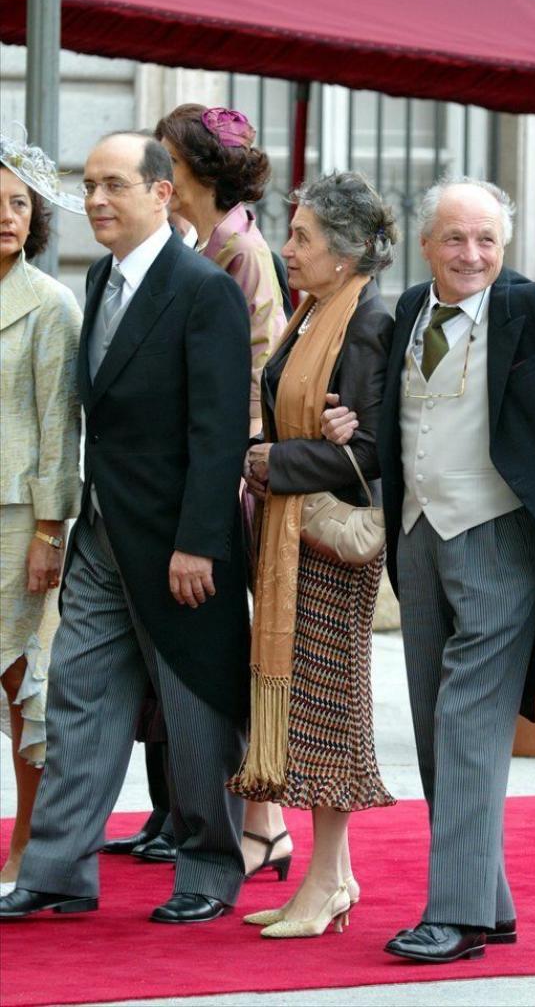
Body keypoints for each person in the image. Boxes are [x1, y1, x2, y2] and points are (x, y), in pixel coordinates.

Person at [321, 167, 535, 962]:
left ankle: (457, 916)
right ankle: (488, 901)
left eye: (487, 239)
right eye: (456, 237)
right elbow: (403, 415)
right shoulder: (404, 312)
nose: (472, 253)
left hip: (501, 533)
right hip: (421, 534)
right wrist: (349, 423)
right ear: (427, 243)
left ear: (505, 247)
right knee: (437, 723)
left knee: (468, 718)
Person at [0, 131, 252, 924]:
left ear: (161, 193)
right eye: (90, 184)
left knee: (194, 710)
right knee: (76, 698)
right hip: (105, 538)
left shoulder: (204, 289)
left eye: (115, 185)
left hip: (180, 547)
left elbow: (219, 433)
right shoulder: (102, 276)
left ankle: (209, 871)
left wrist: (198, 542)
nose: (98, 200)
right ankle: (57, 873)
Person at [106, 103, 291, 876]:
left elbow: (245, 379)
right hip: (185, 463)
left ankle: (252, 818)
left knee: (206, 644)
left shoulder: (238, 251)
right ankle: (177, 810)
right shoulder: (197, 242)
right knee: (166, 645)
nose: (158, 170)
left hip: (227, 470)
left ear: (193, 174)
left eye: (167, 160)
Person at [228, 171, 398, 938]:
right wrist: (277, 454)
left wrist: (274, 464)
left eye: (302, 238)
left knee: (329, 718)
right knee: (311, 714)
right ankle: (336, 877)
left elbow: (369, 450)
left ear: (347, 253)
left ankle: (326, 883)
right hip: (293, 537)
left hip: (328, 547)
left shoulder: (365, 320)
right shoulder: (315, 308)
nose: (286, 248)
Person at [0, 134, 84, 893]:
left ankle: (32, 847)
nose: (6, 215)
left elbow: (62, 428)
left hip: (17, 524)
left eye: (19, 203)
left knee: (26, 690)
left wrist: (50, 531)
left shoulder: (52, 304)